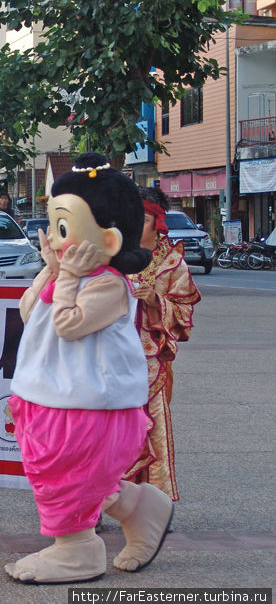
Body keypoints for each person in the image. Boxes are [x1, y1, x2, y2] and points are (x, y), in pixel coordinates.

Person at [5, 153, 171, 585]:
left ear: (109, 240)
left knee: (70, 471)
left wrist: (66, 278)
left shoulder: (109, 284)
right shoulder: (68, 273)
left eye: (66, 230)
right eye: (56, 228)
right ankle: (141, 508)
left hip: (87, 402)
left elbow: (68, 324)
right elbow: (28, 312)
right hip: (50, 394)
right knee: (70, 472)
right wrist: (52, 271)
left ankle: (77, 549)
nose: (58, 240)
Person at [124, 187, 201, 501]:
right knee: (101, 435)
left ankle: (154, 505)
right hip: (107, 360)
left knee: (154, 431)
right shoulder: (111, 256)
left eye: (141, 219)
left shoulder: (173, 264)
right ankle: (95, 505)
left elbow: (184, 318)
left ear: (157, 223)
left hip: (151, 364)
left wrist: (156, 300)